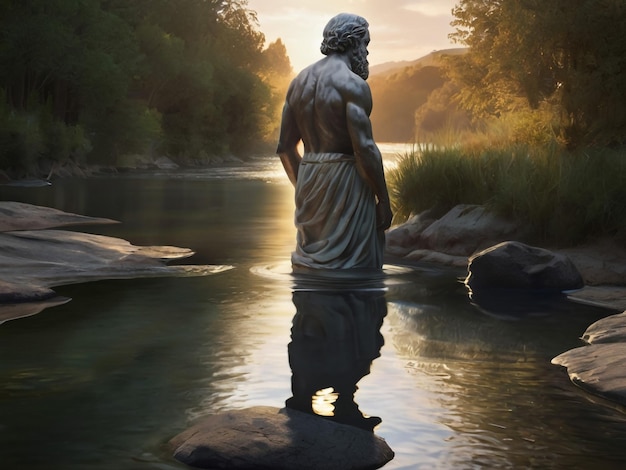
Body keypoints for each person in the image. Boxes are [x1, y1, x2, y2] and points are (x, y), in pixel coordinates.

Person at [276, 13, 393, 271]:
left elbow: (285, 148)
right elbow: (364, 148)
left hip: (309, 177)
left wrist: (303, 186)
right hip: (347, 181)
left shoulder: (298, 84)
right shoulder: (353, 85)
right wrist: (383, 200)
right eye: (366, 44)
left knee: (312, 269)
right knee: (356, 268)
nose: (367, 53)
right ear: (352, 43)